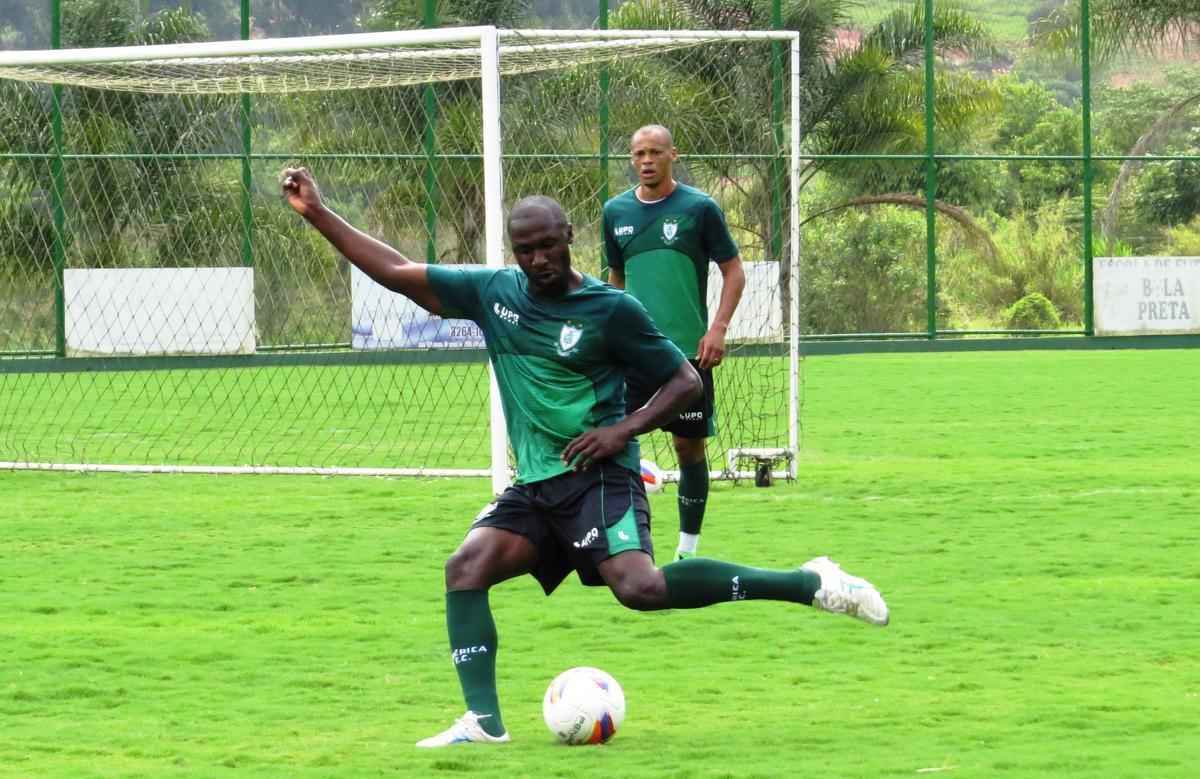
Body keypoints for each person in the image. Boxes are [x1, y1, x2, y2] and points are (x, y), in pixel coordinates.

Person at [281, 167, 889, 749]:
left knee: (639, 588)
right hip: (539, 485)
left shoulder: (610, 310)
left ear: (570, 236)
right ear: (513, 249)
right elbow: (395, 269)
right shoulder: (492, 294)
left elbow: (684, 382)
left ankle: (811, 583)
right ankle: (483, 721)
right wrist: (318, 213)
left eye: (548, 245)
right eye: (526, 250)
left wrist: (622, 429)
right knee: (465, 568)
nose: (539, 259)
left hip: (601, 476)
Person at [603, 124, 745, 561]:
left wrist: (717, 328)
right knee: (619, 442)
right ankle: (628, 546)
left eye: (655, 153)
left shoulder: (699, 208)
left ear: (673, 156)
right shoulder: (615, 212)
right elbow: (616, 280)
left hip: (687, 354)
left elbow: (733, 271)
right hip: (633, 353)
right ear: (631, 159)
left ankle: (687, 550)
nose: (646, 161)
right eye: (638, 154)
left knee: (688, 447)